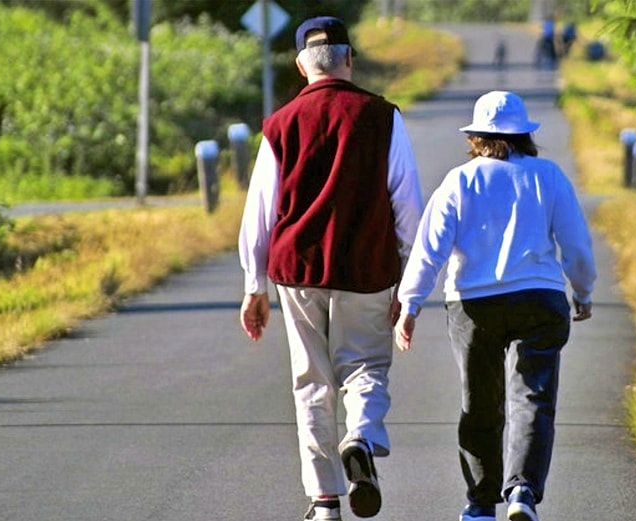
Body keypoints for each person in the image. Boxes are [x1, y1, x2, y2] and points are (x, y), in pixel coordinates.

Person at [238, 15, 423, 521]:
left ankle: (324, 501)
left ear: (302, 66)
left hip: (297, 270)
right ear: (349, 60)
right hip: (367, 268)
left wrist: (254, 285)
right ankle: (360, 435)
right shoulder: (382, 117)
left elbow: (260, 210)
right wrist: (410, 281)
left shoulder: (280, 124)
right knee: (365, 367)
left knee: (311, 381)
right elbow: (407, 204)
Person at [393, 91, 596, 521]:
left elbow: (430, 249)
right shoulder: (547, 176)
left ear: (475, 137)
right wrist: (583, 290)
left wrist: (410, 303)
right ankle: (522, 492)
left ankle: (481, 503)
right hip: (539, 299)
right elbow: (576, 243)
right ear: (525, 135)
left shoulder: (459, 181)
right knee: (532, 397)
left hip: (473, 305)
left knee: (480, 404)